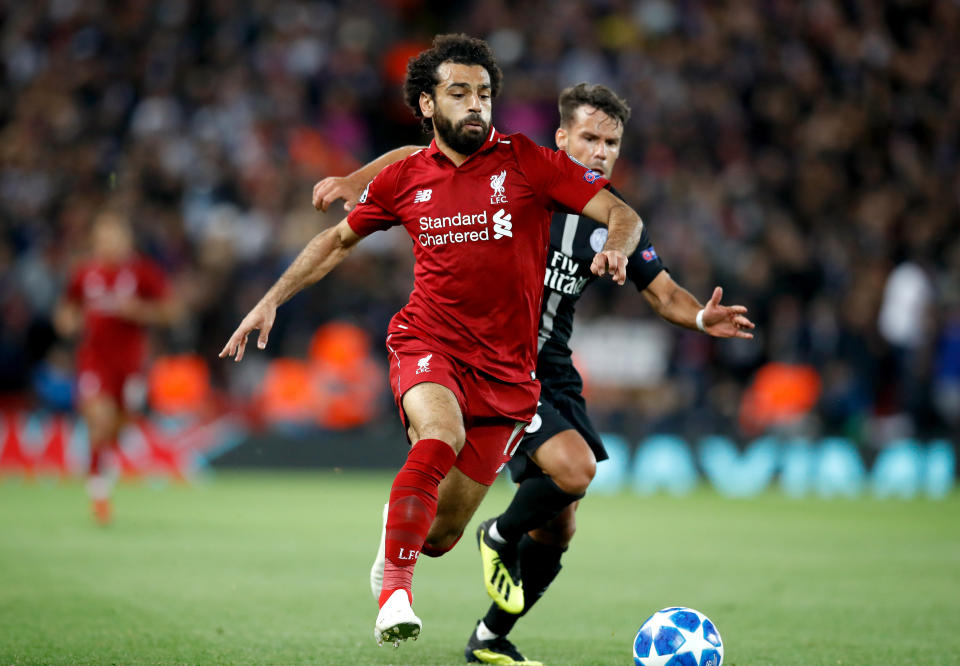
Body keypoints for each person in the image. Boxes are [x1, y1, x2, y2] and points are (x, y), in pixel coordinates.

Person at [220, 35, 645, 649]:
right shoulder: (407, 176)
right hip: (428, 342)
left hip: (507, 377)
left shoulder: (527, 162)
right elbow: (337, 241)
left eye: (485, 93)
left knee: (442, 537)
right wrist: (270, 299)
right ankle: (396, 590)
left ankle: (401, 533)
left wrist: (614, 246)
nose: (477, 105)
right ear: (427, 105)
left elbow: (623, 214)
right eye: (460, 93)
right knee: (439, 434)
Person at [313, 82, 755, 664]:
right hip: (492, 356)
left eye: (612, 143)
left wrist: (701, 316)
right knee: (573, 470)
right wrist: (356, 181)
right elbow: (421, 157)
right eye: (590, 138)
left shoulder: (608, 215)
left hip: (552, 367)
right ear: (561, 137)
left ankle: (490, 637)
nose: (599, 152)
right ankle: (495, 535)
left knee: (560, 527)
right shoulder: (513, 177)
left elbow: (665, 293)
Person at [54, 211, 176, 525]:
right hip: (95, 361)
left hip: (131, 365)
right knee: (100, 419)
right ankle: (99, 494)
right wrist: (67, 322)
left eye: (116, 237)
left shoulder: (143, 273)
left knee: (120, 425)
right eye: (105, 237)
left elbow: (170, 312)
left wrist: (139, 311)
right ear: (96, 240)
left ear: (126, 240)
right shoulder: (85, 273)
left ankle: (102, 465)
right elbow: (67, 309)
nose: (111, 243)